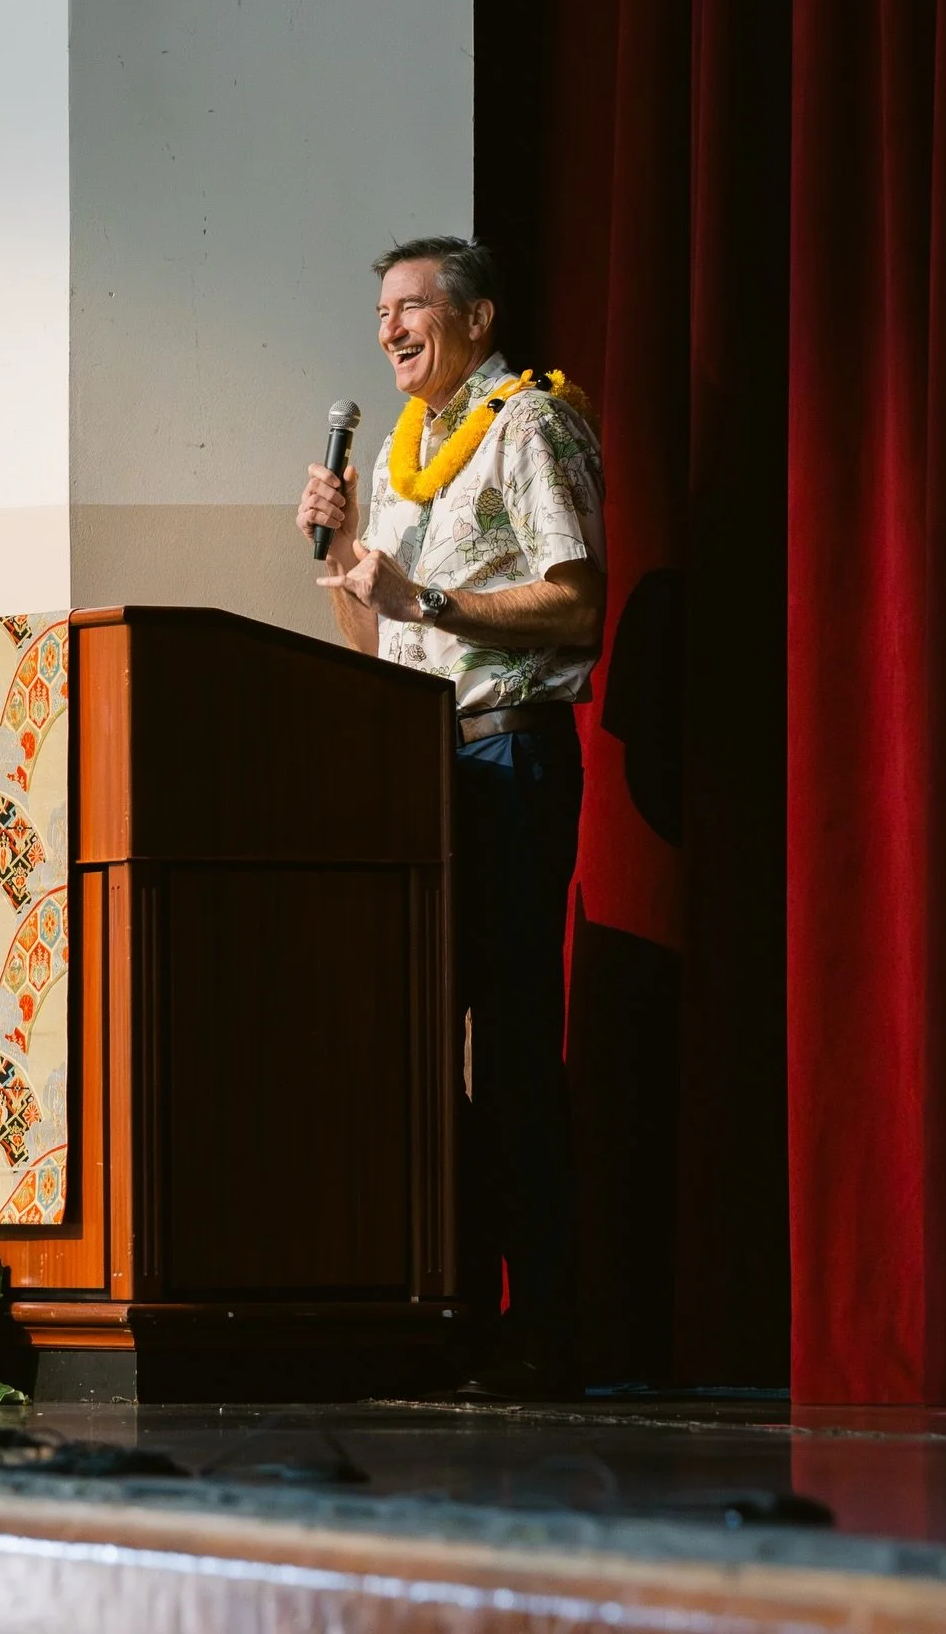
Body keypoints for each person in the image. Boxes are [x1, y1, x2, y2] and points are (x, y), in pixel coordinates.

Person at [295, 236, 606, 1397]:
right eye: (379, 311)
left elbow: (580, 601)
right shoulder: (399, 452)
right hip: (427, 766)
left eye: (411, 307)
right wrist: (338, 564)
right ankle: (463, 1309)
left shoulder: (532, 423)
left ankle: (552, 1327)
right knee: (434, 1054)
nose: (388, 331)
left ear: (476, 318)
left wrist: (423, 593)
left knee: (516, 1046)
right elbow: (378, 646)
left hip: (511, 754)